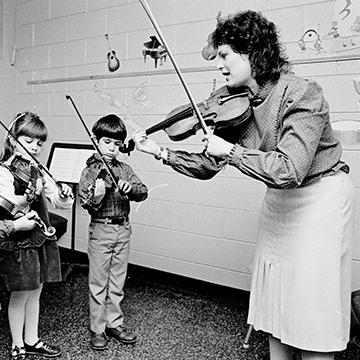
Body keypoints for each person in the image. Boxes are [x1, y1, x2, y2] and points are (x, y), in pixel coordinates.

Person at [132, 10, 354, 360]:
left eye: (225, 56)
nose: (219, 66)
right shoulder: (236, 102)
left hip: (318, 197)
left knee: (312, 302)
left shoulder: (302, 93)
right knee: (276, 299)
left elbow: (289, 168)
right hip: (279, 200)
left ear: (252, 51)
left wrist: (232, 150)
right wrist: (159, 151)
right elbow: (209, 166)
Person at [0, 111, 74, 360]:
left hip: (39, 237)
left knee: (37, 290)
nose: (35, 147)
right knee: (20, 294)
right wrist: (30, 195)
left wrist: (64, 194)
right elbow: (9, 205)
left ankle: (32, 339)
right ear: (13, 139)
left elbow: (58, 201)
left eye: (40, 143)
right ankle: (17, 344)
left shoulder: (38, 170)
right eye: (28, 141)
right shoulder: (5, 171)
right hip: (20, 241)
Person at [78, 114, 148, 351]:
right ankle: (97, 329)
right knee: (98, 283)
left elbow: (143, 191)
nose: (112, 149)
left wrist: (131, 188)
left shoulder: (124, 169)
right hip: (101, 229)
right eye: (107, 142)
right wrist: (96, 198)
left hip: (123, 229)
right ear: (96, 140)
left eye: (117, 145)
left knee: (117, 281)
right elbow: (85, 202)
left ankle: (114, 323)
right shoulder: (90, 171)